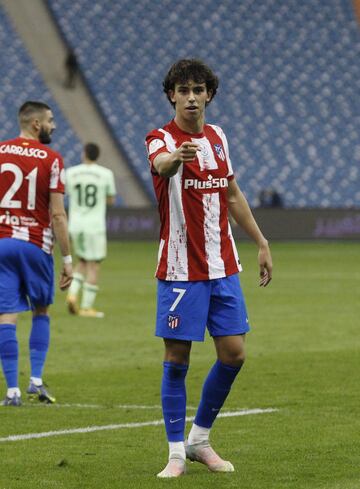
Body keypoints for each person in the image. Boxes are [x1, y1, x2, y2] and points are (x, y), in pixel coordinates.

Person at [145, 59, 273, 478]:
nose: (192, 97)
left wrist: (261, 241)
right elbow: (162, 165)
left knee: (234, 354)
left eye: (198, 90)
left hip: (223, 265)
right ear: (172, 96)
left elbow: (232, 193)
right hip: (181, 268)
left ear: (209, 95)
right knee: (177, 357)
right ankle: (176, 453)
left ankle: (200, 439)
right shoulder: (161, 139)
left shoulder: (218, 137)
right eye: (183, 90)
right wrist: (176, 159)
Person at [0, 101, 73, 406]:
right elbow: (57, 215)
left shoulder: (1, 151)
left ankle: (12, 391)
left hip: (2, 243)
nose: (53, 126)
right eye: (50, 121)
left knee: (7, 315)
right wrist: (67, 260)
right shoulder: (52, 159)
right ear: (35, 124)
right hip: (34, 244)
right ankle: (36, 381)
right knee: (41, 310)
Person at [65, 143, 116, 318]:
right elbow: (110, 200)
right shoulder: (105, 174)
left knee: (82, 261)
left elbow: (66, 193)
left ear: (84, 154)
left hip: (76, 224)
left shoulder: (71, 173)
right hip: (94, 225)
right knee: (94, 265)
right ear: (97, 155)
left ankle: (72, 294)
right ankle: (86, 307)